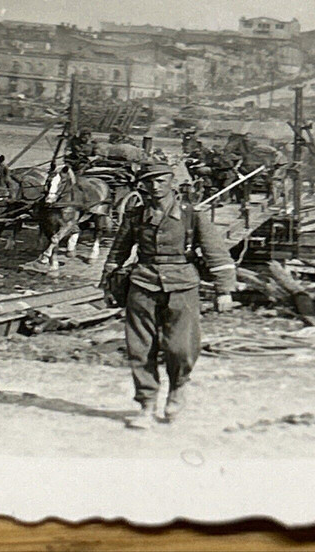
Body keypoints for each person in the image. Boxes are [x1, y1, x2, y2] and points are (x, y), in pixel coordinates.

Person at [99, 162, 237, 429]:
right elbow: (118, 252)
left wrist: (225, 290)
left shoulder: (191, 215)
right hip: (143, 283)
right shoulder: (136, 215)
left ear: (172, 181)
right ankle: (146, 405)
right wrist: (108, 285)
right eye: (150, 181)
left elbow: (216, 253)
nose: (155, 186)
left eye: (161, 180)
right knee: (140, 348)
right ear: (143, 185)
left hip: (182, 285)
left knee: (181, 347)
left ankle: (178, 388)